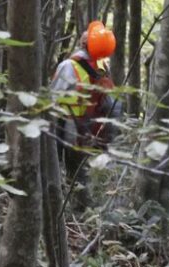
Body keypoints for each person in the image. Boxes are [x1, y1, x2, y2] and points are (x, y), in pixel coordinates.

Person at [50, 20, 119, 208]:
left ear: (82, 43)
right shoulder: (102, 68)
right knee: (79, 174)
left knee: (57, 171)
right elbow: (113, 104)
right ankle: (83, 209)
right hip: (92, 128)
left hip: (68, 125)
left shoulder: (68, 66)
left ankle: (66, 210)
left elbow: (51, 99)